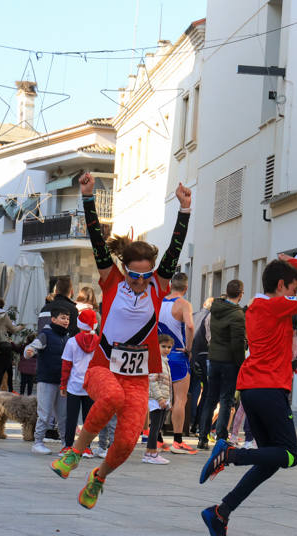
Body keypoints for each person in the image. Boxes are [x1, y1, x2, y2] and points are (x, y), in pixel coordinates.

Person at [50, 173, 192, 509]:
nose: (140, 282)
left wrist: (185, 210)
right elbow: (97, 242)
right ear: (124, 269)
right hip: (103, 366)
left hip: (138, 377)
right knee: (111, 396)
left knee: (128, 441)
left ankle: (98, 478)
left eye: (146, 275)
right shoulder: (112, 280)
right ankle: (74, 452)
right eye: (134, 275)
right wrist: (87, 196)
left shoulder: (158, 286)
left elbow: (174, 249)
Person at [198, 252, 297, 536]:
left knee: (270, 461)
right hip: (269, 389)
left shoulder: (257, 306)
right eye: (294, 289)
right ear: (281, 286)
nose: (296, 295)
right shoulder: (276, 305)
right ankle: (229, 455)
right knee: (290, 456)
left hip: (253, 389)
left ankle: (221, 512)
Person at [199, 281, 246, 450]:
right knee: (226, 400)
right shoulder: (237, 314)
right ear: (240, 294)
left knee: (210, 398)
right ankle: (221, 437)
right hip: (229, 362)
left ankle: (202, 437)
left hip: (213, 358)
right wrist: (241, 363)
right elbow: (237, 344)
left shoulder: (215, 308)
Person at [157, 272, 196, 454]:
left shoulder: (159, 302)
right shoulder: (184, 304)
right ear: (186, 288)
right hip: (178, 354)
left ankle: (156, 438)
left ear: (171, 285)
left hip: (160, 354)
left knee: (159, 398)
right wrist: (189, 348)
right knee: (180, 399)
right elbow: (190, 325)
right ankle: (178, 441)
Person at [25, 304, 70, 455]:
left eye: (68, 318)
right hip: (46, 380)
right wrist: (29, 352)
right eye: (63, 318)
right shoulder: (45, 334)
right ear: (53, 319)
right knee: (44, 413)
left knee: (63, 415)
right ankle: (37, 442)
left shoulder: (67, 337)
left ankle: (66, 444)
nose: (66, 321)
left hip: (63, 381)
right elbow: (33, 347)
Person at [59, 309, 100, 456]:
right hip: (91, 385)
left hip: (74, 385)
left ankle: (68, 446)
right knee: (89, 419)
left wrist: (63, 384)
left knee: (71, 417)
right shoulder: (99, 342)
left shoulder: (71, 342)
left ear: (79, 324)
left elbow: (66, 365)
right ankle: (86, 447)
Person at [142, 334, 175, 465]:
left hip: (162, 400)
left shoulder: (165, 361)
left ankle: (150, 452)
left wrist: (169, 401)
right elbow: (152, 381)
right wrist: (160, 398)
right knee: (155, 427)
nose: (167, 349)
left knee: (158, 427)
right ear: (157, 346)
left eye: (169, 347)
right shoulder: (156, 361)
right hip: (156, 399)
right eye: (163, 346)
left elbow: (167, 385)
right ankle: (151, 453)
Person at [189, 296, 214, 438]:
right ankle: (195, 423)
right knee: (200, 391)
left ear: (204, 303)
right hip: (204, 357)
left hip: (190, 355)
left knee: (188, 391)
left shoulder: (193, 315)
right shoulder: (210, 318)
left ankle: (187, 422)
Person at [16, 331, 38, 395]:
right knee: (30, 383)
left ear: (27, 339)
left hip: (24, 368)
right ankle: (29, 396)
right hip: (32, 369)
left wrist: (11, 343)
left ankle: (21, 395)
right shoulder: (36, 347)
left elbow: (17, 349)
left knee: (23, 383)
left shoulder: (24, 346)